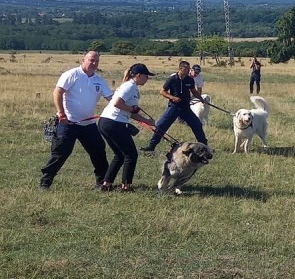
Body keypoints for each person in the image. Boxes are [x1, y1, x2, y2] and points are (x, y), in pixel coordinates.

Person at [39, 51, 113, 190]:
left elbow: (112, 99)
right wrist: (61, 114)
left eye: (96, 61)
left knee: (98, 151)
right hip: (68, 123)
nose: (94, 63)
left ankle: (103, 182)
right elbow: (57, 92)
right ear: (83, 60)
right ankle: (45, 182)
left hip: (88, 124)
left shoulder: (99, 80)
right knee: (61, 153)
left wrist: (126, 107)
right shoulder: (71, 74)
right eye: (91, 60)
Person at [97, 64, 156, 192]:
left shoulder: (131, 87)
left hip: (107, 122)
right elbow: (117, 103)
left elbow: (131, 113)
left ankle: (106, 184)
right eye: (146, 76)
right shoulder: (129, 86)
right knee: (131, 155)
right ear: (138, 75)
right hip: (114, 123)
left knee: (120, 155)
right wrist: (131, 108)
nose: (147, 79)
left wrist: (147, 122)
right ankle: (126, 186)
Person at [140, 61, 208, 152]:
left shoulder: (190, 80)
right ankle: (151, 147)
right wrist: (172, 97)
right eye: (186, 69)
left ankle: (204, 147)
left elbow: (194, 91)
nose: (188, 71)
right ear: (180, 68)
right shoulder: (172, 79)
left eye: (189, 69)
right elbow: (162, 91)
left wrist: (201, 99)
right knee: (161, 126)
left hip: (185, 108)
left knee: (197, 125)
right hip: (174, 107)